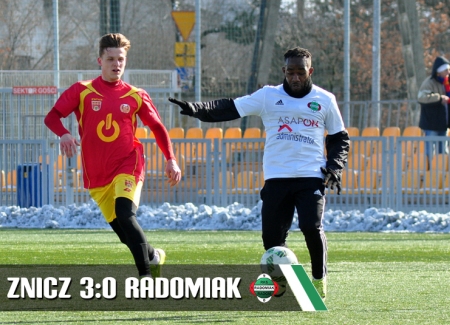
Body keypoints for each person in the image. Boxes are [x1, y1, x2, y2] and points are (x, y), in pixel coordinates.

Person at [168, 47, 350, 300]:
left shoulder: (325, 99)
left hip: (311, 176)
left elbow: (340, 138)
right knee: (272, 240)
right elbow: (231, 107)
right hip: (276, 177)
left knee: (311, 226)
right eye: (290, 72)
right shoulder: (268, 96)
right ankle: (284, 282)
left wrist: (334, 166)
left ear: (310, 71)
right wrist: (197, 108)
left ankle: (319, 280)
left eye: (301, 72)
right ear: (283, 71)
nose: (295, 77)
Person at [44, 33, 181, 278]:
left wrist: (170, 158)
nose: (116, 64)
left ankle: (146, 278)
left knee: (126, 216)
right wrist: (64, 134)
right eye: (111, 59)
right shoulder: (82, 91)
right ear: (100, 60)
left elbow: (158, 127)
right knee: (123, 233)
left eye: (121, 59)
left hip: (129, 162)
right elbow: (52, 117)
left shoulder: (136, 95)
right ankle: (153, 255)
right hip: (97, 173)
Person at [417, 57, 450, 163]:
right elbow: (422, 97)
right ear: (439, 72)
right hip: (431, 123)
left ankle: (442, 172)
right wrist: (439, 98)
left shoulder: (448, 83)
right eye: (446, 70)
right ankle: (429, 171)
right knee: (431, 151)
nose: (449, 72)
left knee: (443, 150)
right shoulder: (429, 82)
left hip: (443, 123)